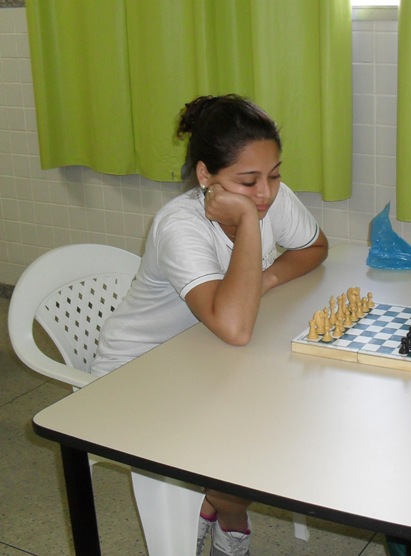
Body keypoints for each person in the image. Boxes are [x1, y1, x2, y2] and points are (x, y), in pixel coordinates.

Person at [92, 94, 329, 556]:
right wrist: (247, 222)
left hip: (207, 354)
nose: (266, 193)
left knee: (291, 412)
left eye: (275, 174)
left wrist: (265, 279)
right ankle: (231, 515)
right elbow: (236, 328)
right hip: (138, 371)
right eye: (248, 181)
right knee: (244, 434)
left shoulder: (267, 198)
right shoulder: (179, 226)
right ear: (205, 176)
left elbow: (315, 247)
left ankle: (212, 503)